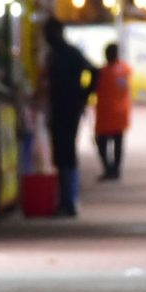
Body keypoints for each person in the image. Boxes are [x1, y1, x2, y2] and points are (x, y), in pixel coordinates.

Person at [44, 17, 98, 217]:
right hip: (61, 107)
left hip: (69, 108)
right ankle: (66, 199)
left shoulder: (68, 53)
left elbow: (94, 71)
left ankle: (69, 200)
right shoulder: (56, 54)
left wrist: (83, 95)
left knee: (66, 153)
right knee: (61, 153)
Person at [93, 42, 132, 179]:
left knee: (102, 144)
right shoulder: (125, 69)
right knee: (118, 144)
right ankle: (115, 170)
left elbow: (92, 88)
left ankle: (109, 169)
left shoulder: (101, 73)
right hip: (120, 114)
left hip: (105, 116)